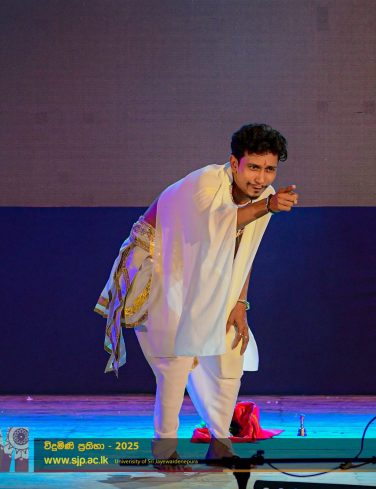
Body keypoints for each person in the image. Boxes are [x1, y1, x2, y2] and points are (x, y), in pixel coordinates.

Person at [94, 123, 298, 470]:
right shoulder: (204, 183)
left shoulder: (264, 197)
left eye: (269, 169)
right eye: (253, 167)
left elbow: (243, 250)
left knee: (231, 350)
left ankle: (220, 443)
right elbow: (215, 228)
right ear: (234, 163)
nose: (261, 178)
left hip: (205, 274)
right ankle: (164, 451)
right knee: (175, 359)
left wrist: (239, 303)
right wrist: (268, 206)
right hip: (158, 265)